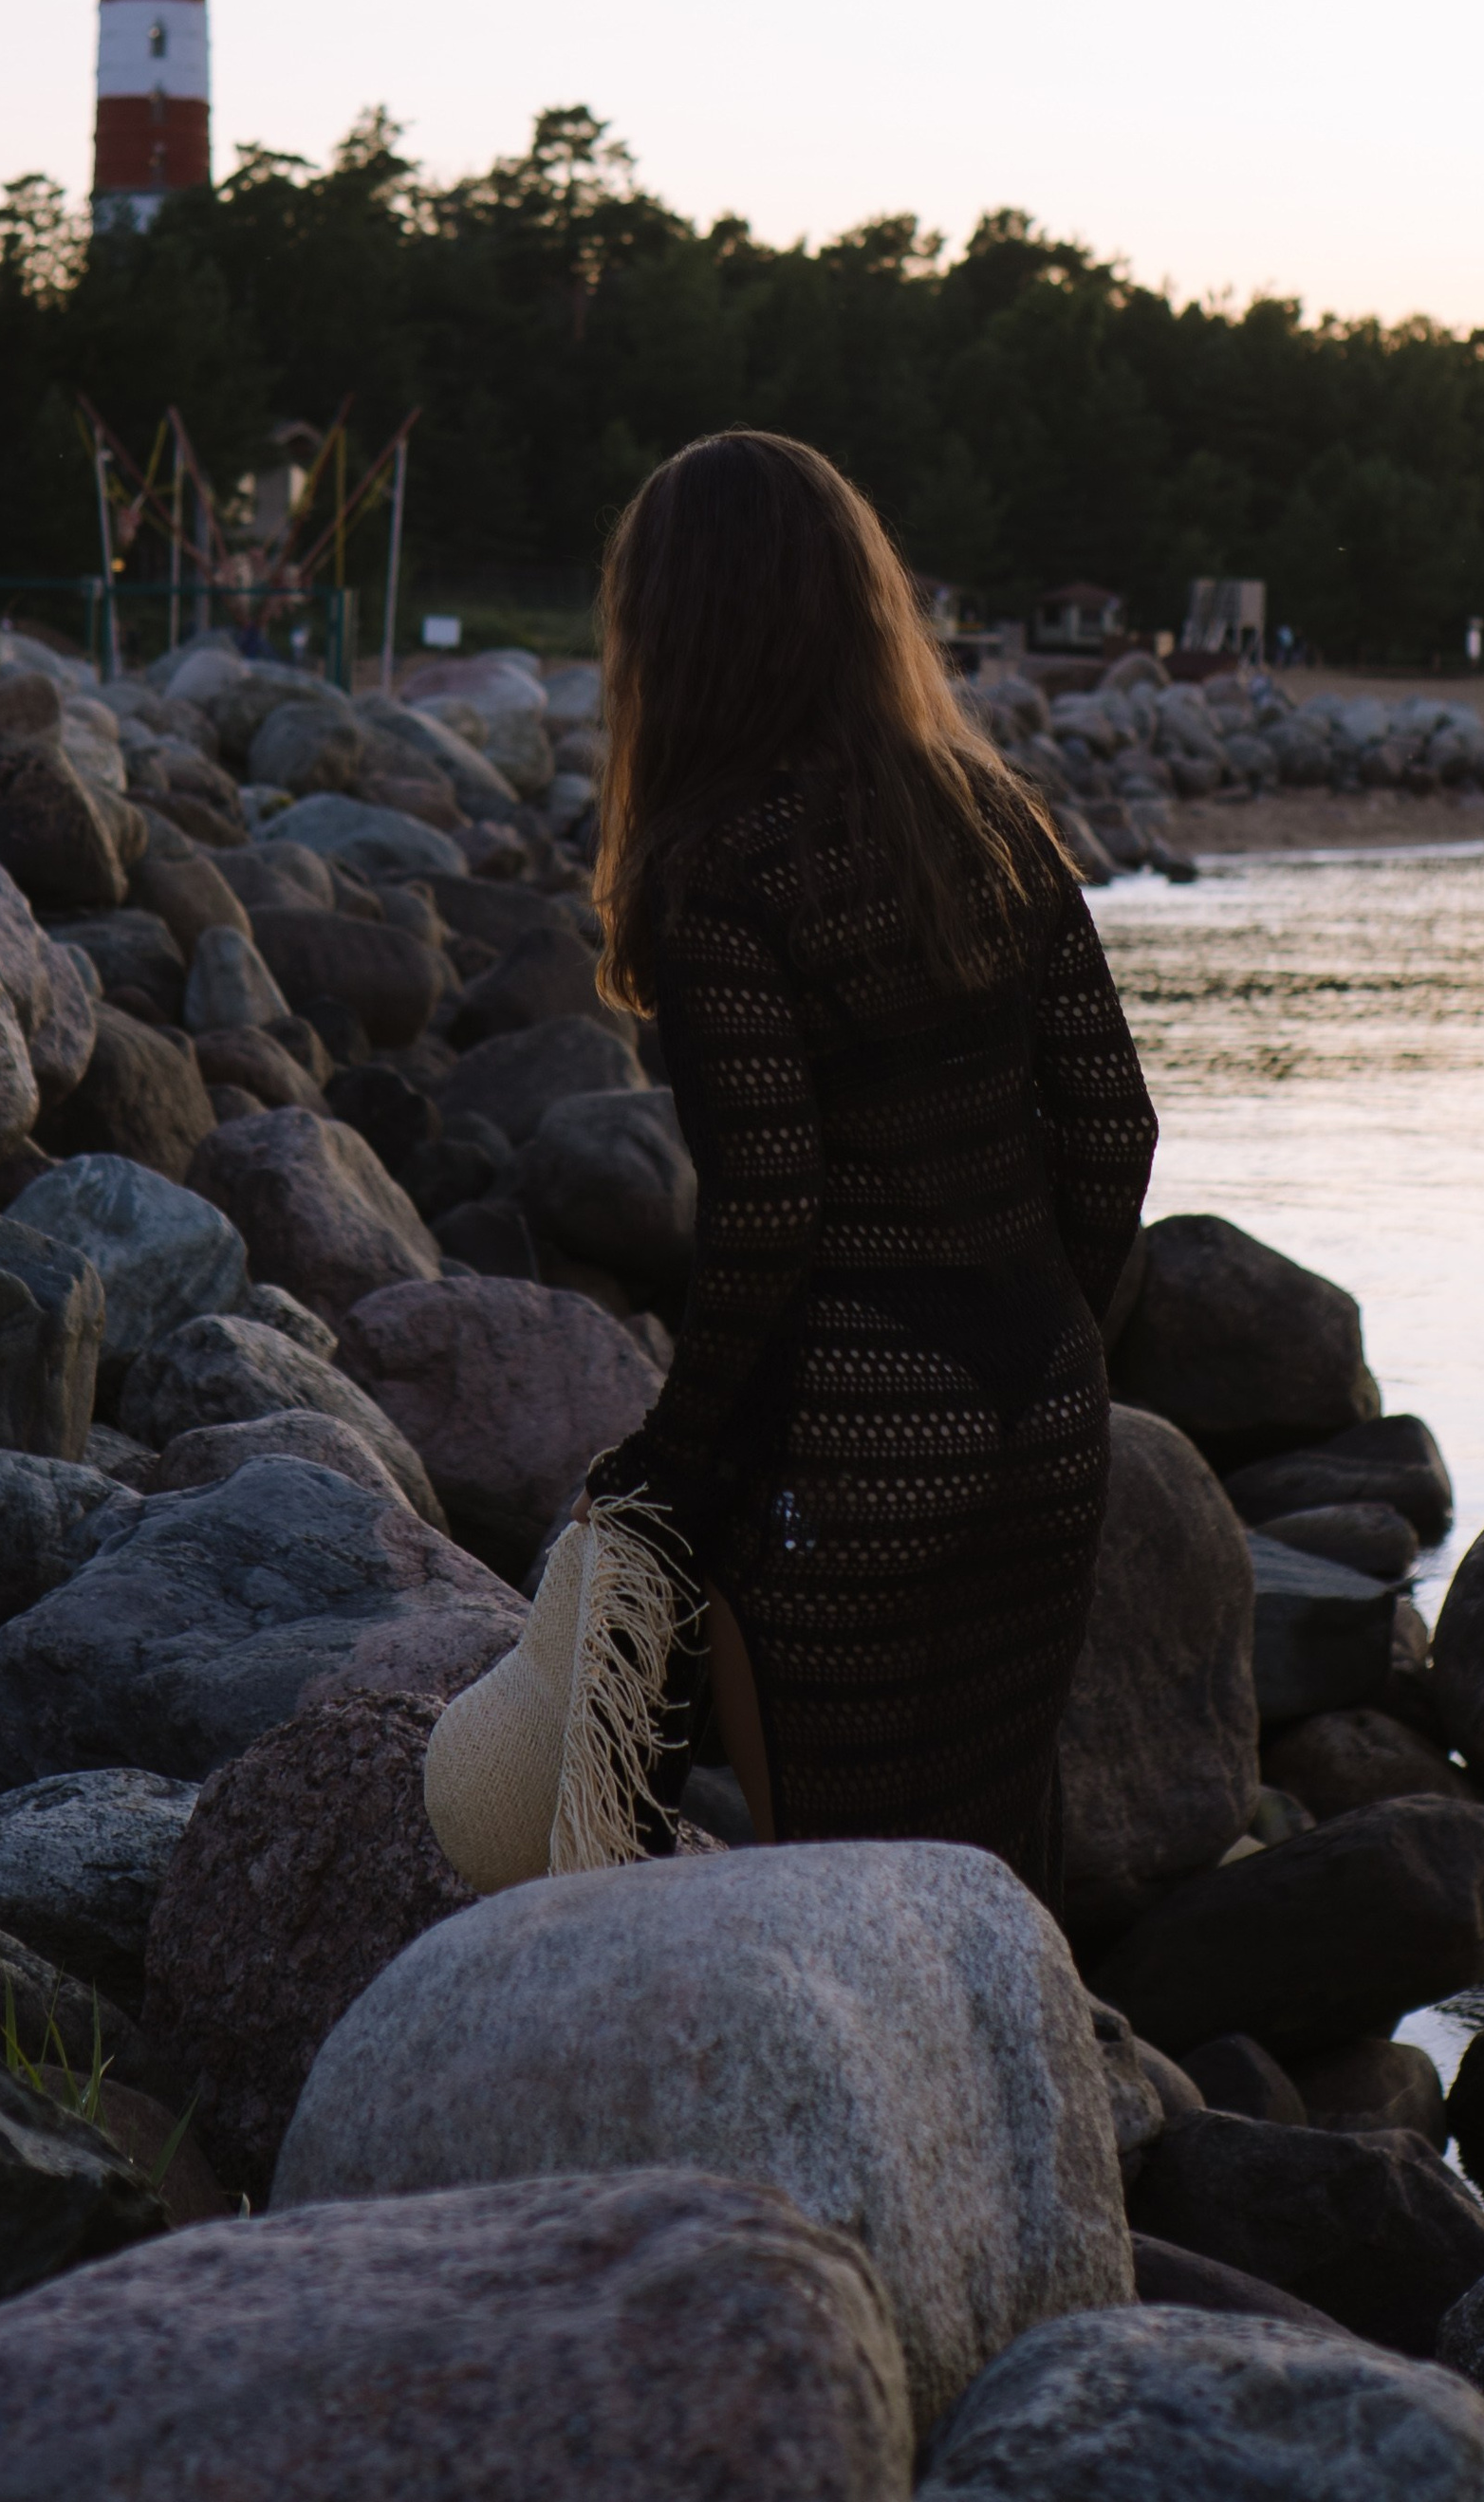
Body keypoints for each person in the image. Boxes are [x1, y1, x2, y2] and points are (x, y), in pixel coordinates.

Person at [580, 430, 1157, 1897]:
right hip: (1046, 1415)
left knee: (840, 1893)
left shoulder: (721, 868)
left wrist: (676, 1461)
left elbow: (770, 1208)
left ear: (676, 633)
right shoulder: (994, 821)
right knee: (988, 1877)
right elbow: (1114, 1132)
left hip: (854, 1449)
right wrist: (1046, 1329)